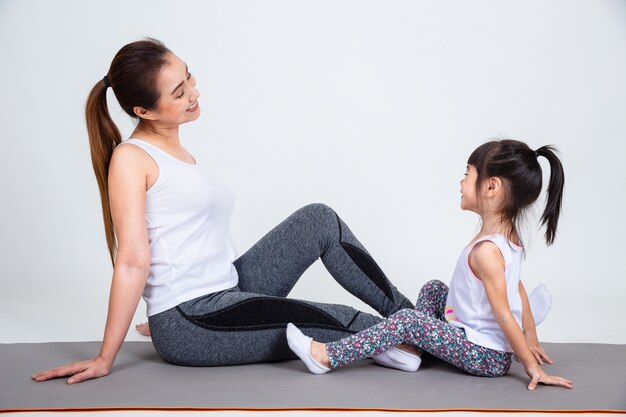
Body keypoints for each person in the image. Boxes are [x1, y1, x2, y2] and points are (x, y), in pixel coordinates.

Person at [31, 38, 424, 385]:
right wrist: (109, 354)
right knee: (343, 319)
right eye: (178, 91)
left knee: (318, 219)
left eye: (189, 78)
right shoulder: (131, 159)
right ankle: (424, 339)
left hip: (228, 289)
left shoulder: (177, 154)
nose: (193, 93)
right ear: (144, 111)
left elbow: (184, 240)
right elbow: (133, 261)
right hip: (196, 318)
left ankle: (413, 319)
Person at [287, 139, 573, 391]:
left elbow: (504, 313)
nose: (461, 183)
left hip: (484, 355)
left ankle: (326, 356)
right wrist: (531, 336)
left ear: (490, 186)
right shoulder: (508, 239)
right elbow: (517, 287)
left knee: (408, 320)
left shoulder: (487, 251)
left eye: (467, 174)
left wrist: (530, 365)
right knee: (435, 289)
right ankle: (411, 351)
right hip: (476, 340)